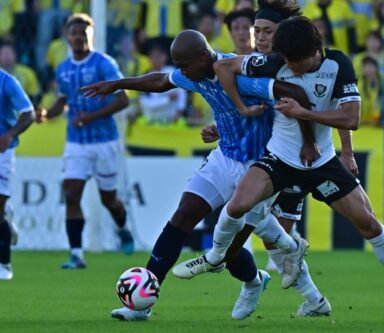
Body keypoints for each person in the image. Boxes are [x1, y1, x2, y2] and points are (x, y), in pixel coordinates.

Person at [176, 16, 384, 319]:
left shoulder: (338, 65)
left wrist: (305, 114)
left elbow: (351, 118)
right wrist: (239, 110)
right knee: (239, 203)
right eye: (287, 61)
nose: (291, 67)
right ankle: (215, 257)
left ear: (316, 50)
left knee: (368, 224)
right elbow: (223, 67)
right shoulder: (275, 60)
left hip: (321, 160)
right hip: (280, 157)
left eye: (297, 62)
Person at [82, 29, 316, 321]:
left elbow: (290, 95)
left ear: (204, 56)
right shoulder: (195, 72)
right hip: (224, 157)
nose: (181, 72)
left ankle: (255, 281)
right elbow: (161, 81)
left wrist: (307, 141)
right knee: (183, 215)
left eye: (184, 66)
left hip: (260, 168)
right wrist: (119, 83)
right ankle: (143, 304)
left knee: (229, 250)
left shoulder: (241, 75)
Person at [200, 0, 336, 317]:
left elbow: (321, 103)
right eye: (251, 30)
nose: (255, 36)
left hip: (287, 161)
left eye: (265, 31)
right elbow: (250, 113)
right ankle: (312, 298)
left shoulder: (291, 64)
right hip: (262, 164)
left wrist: (339, 146)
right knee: (272, 240)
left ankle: (259, 284)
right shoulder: (246, 66)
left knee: (265, 238)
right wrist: (222, 125)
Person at [35, 14, 134, 269]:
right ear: (67, 37)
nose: (78, 36)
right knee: (71, 193)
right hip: (76, 142)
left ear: (92, 35)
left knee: (108, 200)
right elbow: (61, 102)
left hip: (104, 141)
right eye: (74, 33)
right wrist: (47, 113)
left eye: (83, 32)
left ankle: (122, 227)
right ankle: (76, 254)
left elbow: (123, 100)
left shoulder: (104, 64)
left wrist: (91, 116)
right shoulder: (63, 68)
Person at [0, 69, 35, 280]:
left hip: (2, 150)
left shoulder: (6, 81)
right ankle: (6, 213)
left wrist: (9, 134)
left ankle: (4, 265)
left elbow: (28, 112)